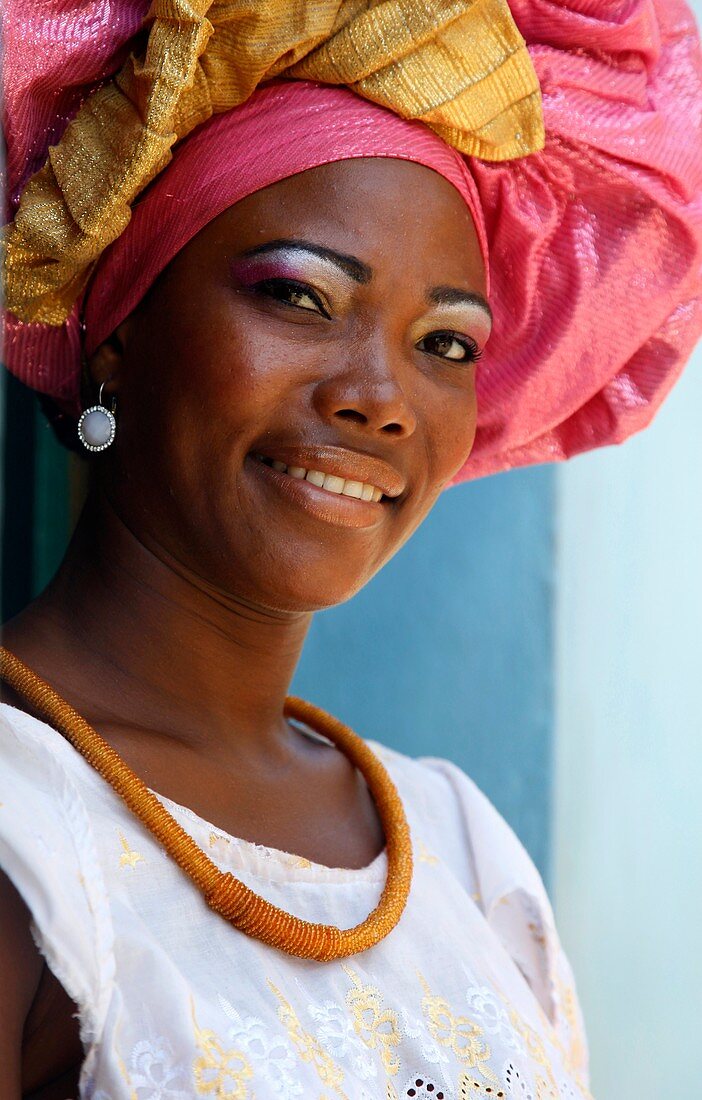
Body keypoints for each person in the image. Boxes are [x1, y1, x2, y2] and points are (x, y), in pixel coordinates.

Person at [1, 2, 701, 1097]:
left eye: (446, 344)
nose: (381, 399)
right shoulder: (24, 826)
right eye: (299, 295)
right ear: (121, 315)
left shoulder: (463, 851)